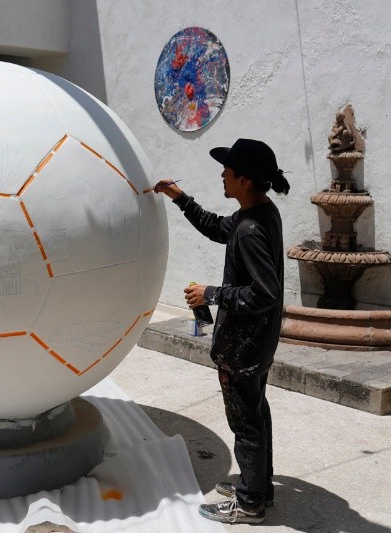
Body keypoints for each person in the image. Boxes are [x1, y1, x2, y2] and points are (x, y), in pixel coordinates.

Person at [153, 138, 290, 524]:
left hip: (243, 347)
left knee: (245, 422)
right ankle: (258, 486)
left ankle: (249, 504)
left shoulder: (250, 230)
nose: (222, 175)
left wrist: (211, 293)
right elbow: (216, 227)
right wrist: (182, 199)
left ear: (244, 180)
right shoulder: (261, 213)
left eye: (228, 170)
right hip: (259, 344)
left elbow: (265, 293)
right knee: (256, 412)